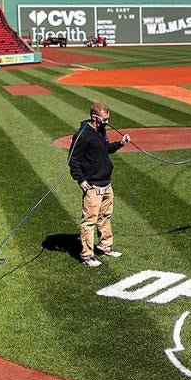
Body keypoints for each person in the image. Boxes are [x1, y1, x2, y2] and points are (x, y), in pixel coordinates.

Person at [69, 102, 131, 267]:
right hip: (93, 185)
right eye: (104, 119)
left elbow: (105, 149)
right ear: (94, 117)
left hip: (106, 183)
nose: (107, 122)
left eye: (108, 119)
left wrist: (120, 143)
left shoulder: (101, 130)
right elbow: (73, 160)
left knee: (105, 216)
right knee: (89, 221)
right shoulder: (83, 135)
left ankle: (105, 246)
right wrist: (80, 180)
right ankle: (87, 255)